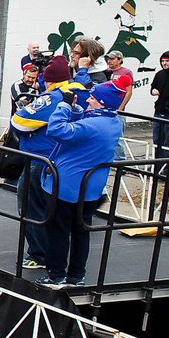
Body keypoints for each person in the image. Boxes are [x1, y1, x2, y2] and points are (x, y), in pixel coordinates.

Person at [40, 81, 127, 287]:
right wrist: (77, 110)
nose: (89, 100)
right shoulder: (112, 122)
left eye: (93, 99)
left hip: (66, 186)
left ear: (102, 103)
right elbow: (82, 129)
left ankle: (56, 275)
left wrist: (64, 106)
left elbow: (56, 129)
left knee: (58, 231)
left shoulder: (93, 125)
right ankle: (77, 276)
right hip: (89, 188)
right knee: (81, 231)